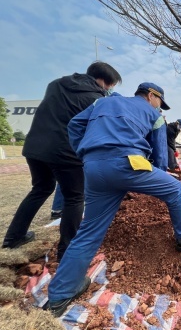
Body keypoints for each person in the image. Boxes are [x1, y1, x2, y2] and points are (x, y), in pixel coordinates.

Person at [43, 82, 181, 317]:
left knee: (89, 230)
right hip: (129, 163)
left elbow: (75, 124)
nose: (160, 106)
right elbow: (160, 153)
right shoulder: (154, 115)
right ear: (152, 96)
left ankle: (59, 296)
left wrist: (86, 153)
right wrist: (158, 177)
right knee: (175, 188)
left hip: (94, 168)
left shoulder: (103, 102)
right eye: (160, 101)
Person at [2, 62, 122, 260]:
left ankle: (13, 237)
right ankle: (67, 251)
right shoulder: (95, 99)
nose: (110, 89)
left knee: (40, 189)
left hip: (35, 147)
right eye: (110, 84)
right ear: (102, 80)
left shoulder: (56, 84)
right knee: (75, 197)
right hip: (65, 152)